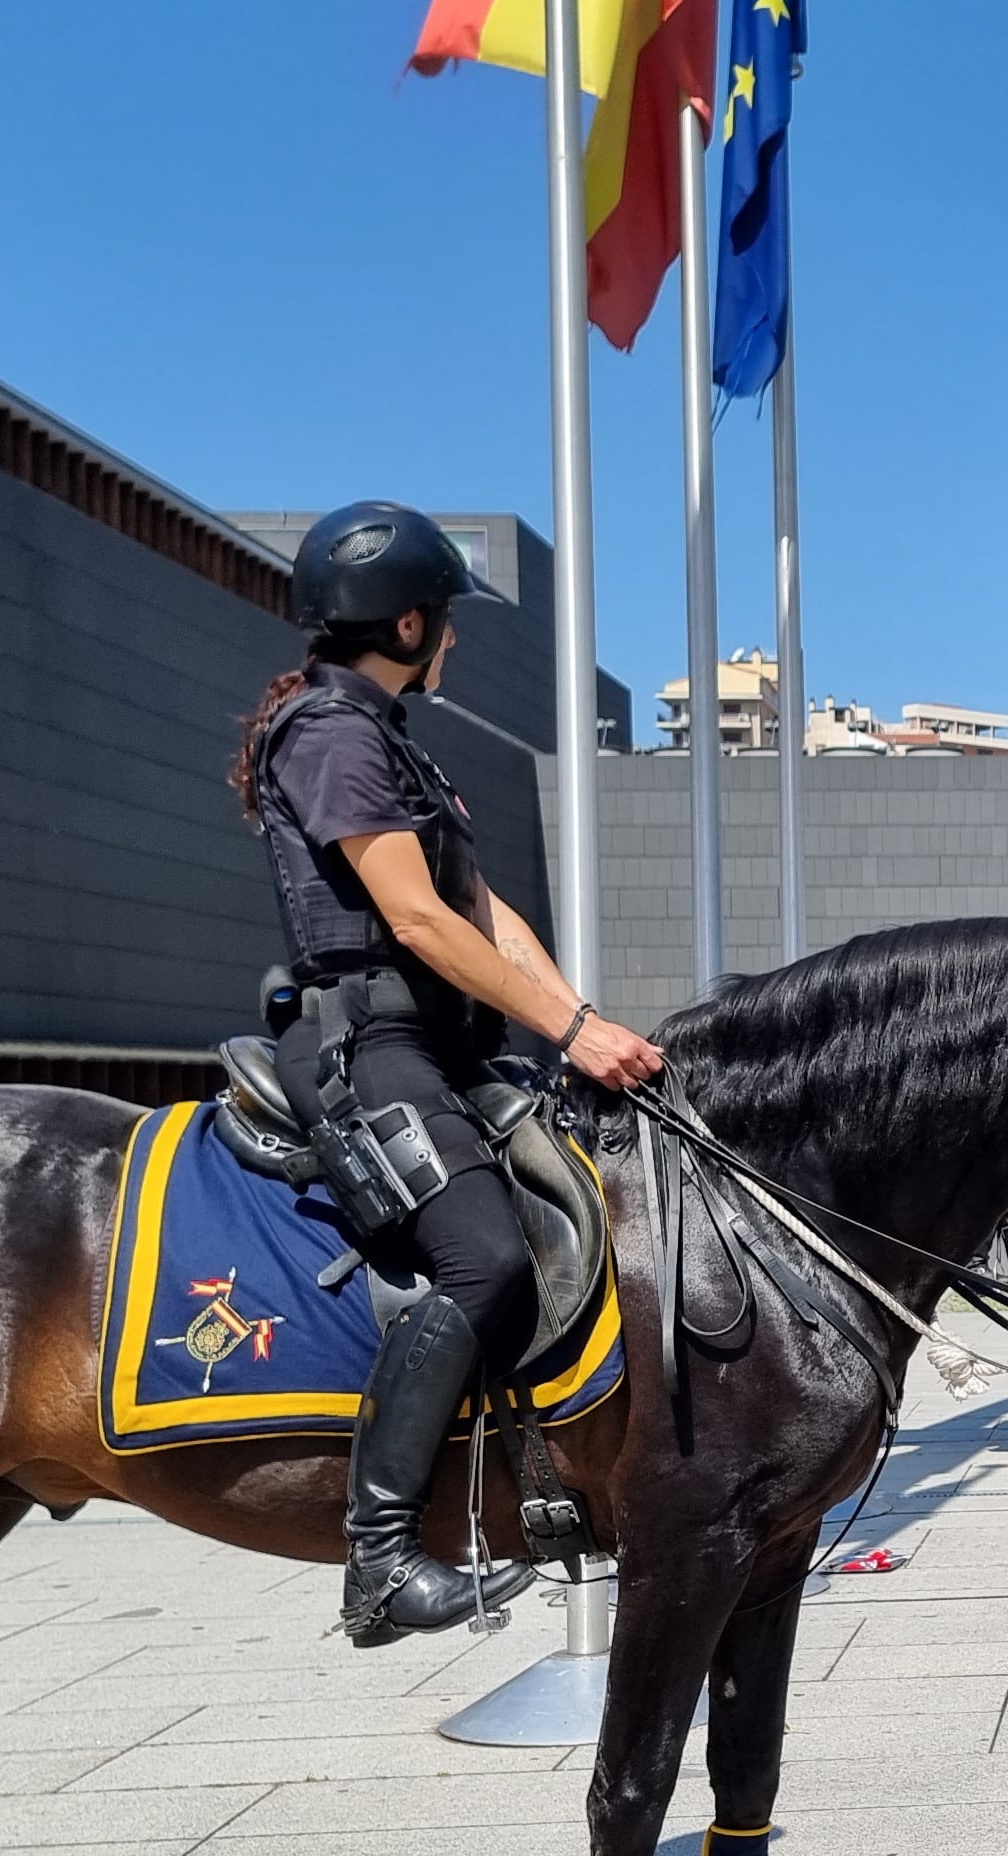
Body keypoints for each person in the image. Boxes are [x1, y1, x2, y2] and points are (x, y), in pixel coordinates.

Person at [239, 501, 668, 1644]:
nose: (457, 641)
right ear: (413, 620)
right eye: (450, 623)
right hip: (366, 1042)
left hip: (444, 1043)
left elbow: (488, 915)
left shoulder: (388, 736)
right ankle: (379, 1557)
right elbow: (419, 920)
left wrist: (585, 1021)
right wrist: (571, 1033)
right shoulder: (330, 731)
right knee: (486, 1260)